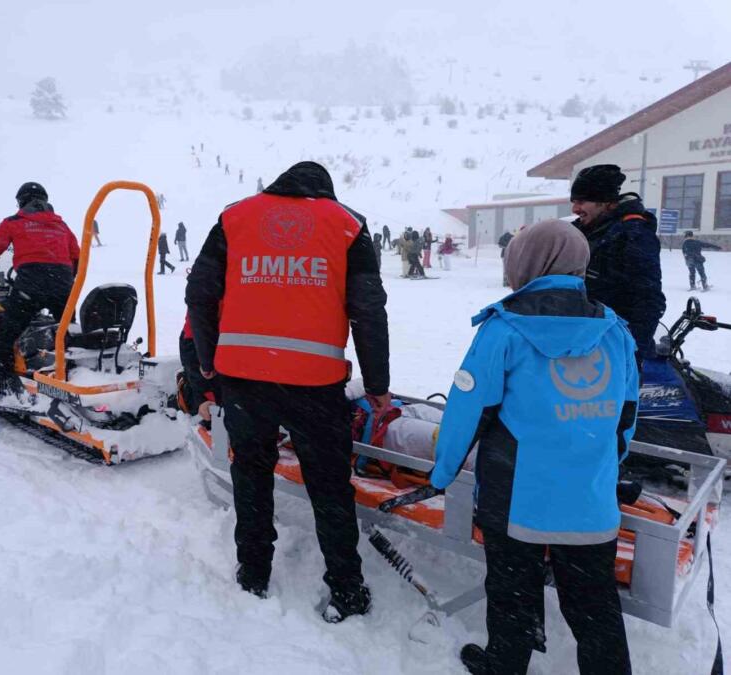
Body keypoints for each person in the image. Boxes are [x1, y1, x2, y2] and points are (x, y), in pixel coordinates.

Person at [430, 219, 638, 675]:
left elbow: (467, 410)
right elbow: (626, 416)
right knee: (595, 607)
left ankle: (504, 666)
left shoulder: (504, 329)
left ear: (526, 263)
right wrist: (603, 466)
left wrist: (442, 473)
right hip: (589, 499)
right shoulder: (614, 331)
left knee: (512, 596)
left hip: (517, 500)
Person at [185, 161, 390, 622]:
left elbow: (199, 292)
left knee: (251, 475)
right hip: (315, 385)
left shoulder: (235, 218)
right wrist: (377, 384)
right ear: (326, 193)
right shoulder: (347, 225)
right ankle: (347, 589)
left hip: (243, 380)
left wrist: (207, 360)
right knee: (329, 487)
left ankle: (253, 572)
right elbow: (368, 310)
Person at [0, 182, 79, 402]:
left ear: (21, 201)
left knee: (7, 333)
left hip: (30, 284)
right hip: (62, 284)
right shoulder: (61, 225)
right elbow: (76, 255)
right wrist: (65, 279)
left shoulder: (14, 222)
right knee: (67, 332)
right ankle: (74, 375)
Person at [570, 164, 665, 360]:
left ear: (605, 202)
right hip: (583, 339)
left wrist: (632, 353)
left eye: (582, 202)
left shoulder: (633, 235)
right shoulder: (585, 229)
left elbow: (648, 299)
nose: (575, 209)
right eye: (574, 202)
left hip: (614, 345)